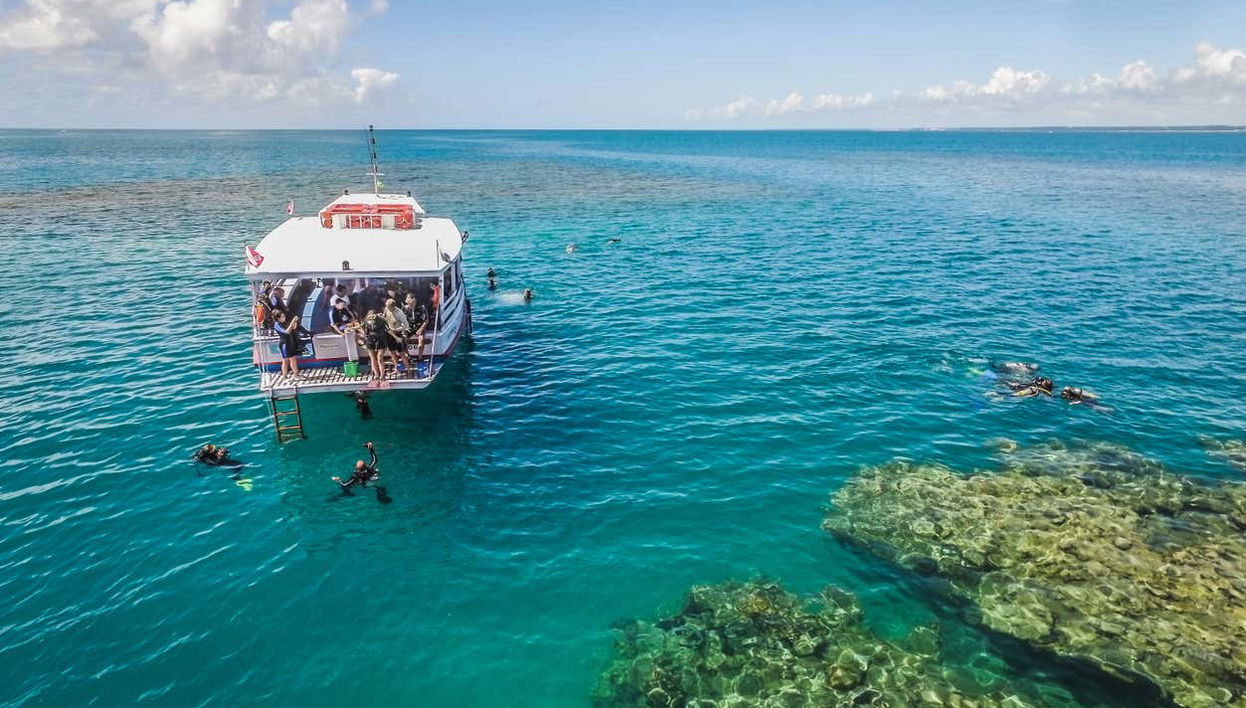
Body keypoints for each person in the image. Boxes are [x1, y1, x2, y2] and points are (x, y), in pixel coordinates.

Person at [274, 314, 310, 378]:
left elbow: (292, 328)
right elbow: (287, 332)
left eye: (284, 316)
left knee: (293, 359)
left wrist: (295, 322)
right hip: (284, 344)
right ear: (278, 318)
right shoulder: (277, 325)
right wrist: (292, 321)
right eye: (282, 317)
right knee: (285, 360)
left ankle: (296, 374)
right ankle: (285, 375)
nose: (284, 318)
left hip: (290, 342)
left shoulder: (284, 323)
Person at [362, 309, 394, 379]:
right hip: (370, 340)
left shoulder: (381, 320)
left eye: (372, 316)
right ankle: (376, 375)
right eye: (369, 316)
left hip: (381, 339)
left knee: (379, 358)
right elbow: (364, 330)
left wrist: (396, 337)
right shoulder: (366, 321)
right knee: (373, 358)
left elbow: (388, 329)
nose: (371, 318)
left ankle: (382, 375)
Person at [383, 298, 413, 373]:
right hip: (389, 334)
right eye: (386, 307)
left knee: (401, 353)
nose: (387, 308)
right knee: (392, 353)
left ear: (393, 306)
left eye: (389, 307)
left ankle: (409, 369)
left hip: (398, 333)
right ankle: (397, 369)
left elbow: (406, 325)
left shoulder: (400, 313)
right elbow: (385, 317)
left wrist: (396, 330)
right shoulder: (386, 309)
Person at [403, 293, 429, 360]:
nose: (408, 302)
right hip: (409, 327)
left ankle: (420, 357)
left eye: (409, 301)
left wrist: (421, 329)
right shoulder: (405, 308)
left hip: (419, 326)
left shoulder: (421, 307)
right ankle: (407, 355)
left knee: (421, 341)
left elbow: (426, 320)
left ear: (414, 300)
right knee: (403, 338)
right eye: (407, 301)